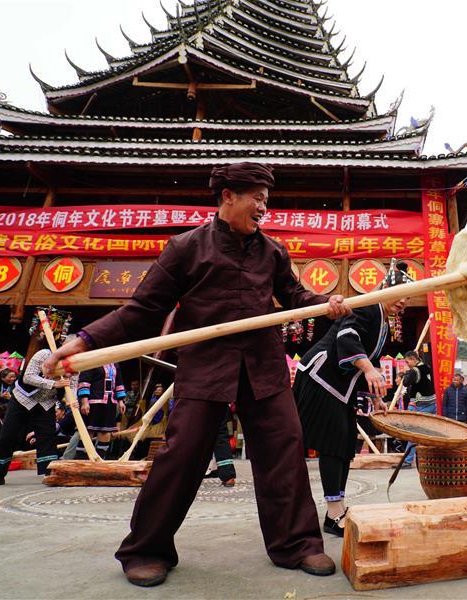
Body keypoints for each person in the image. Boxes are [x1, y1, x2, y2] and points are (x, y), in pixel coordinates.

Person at [44, 162, 351, 586]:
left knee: (284, 448)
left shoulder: (272, 251)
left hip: (262, 365)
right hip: (207, 365)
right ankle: (146, 549)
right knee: (182, 454)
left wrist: (324, 301)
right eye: (256, 198)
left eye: (267, 199)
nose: (263, 207)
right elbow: (143, 309)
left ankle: (297, 544)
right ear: (228, 196)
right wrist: (85, 341)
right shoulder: (186, 247)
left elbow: (294, 294)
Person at [294, 260, 411, 537]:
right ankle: (333, 513)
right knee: (332, 444)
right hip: (321, 378)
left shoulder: (383, 321)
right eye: (401, 296)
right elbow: (347, 336)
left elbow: (370, 357)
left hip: (341, 387)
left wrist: (376, 396)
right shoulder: (368, 304)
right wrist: (369, 369)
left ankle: (337, 508)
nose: (404, 303)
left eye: (409, 298)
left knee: (345, 445)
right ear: (385, 288)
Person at [0, 346, 77, 487]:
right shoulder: (44, 354)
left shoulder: (76, 363)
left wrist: (72, 401)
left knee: (47, 437)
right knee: (8, 435)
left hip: (46, 403)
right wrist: (54, 383)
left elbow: (72, 385)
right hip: (22, 398)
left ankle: (49, 474)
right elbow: (28, 377)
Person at [76, 363, 126, 459]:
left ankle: (100, 459)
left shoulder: (115, 364)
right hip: (93, 401)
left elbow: (119, 382)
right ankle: (82, 459)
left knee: (106, 431)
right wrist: (84, 402)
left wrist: (121, 401)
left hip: (110, 402)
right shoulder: (94, 360)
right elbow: (84, 381)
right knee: (89, 430)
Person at [399, 350, 437, 467]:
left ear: (413, 360)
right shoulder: (428, 367)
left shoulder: (415, 370)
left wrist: (406, 373)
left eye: (407, 362)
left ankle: (408, 460)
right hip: (432, 402)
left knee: (413, 433)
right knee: (429, 433)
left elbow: (405, 383)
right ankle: (429, 459)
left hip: (421, 405)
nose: (407, 364)